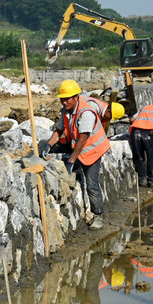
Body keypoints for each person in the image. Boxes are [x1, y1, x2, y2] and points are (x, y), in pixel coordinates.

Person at [38, 80, 110, 230]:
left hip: (92, 150)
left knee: (92, 184)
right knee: (43, 144)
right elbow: (58, 131)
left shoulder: (86, 113)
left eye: (67, 99)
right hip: (75, 144)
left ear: (76, 97)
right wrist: (48, 145)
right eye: (62, 99)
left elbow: (83, 139)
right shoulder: (66, 110)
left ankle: (98, 215)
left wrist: (71, 160)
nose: (64, 102)